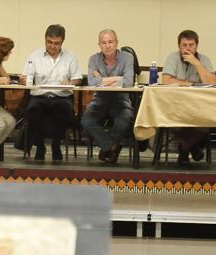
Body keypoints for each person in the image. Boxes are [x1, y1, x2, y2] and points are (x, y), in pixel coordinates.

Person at [20, 24, 81, 162]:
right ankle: (40, 146)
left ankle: (56, 145)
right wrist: (24, 80)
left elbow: (78, 79)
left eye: (56, 43)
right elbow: (24, 77)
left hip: (62, 96)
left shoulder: (71, 57)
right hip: (39, 95)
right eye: (49, 42)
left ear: (62, 42)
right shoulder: (34, 56)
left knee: (66, 112)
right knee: (32, 111)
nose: (52, 46)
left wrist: (71, 82)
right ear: (45, 40)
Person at [160, 29, 216, 165]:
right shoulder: (172, 57)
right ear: (179, 46)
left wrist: (196, 63)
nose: (188, 48)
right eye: (184, 45)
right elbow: (166, 80)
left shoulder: (204, 59)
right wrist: (190, 83)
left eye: (191, 45)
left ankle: (185, 147)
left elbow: (212, 82)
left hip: (199, 105)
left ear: (197, 46)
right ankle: (192, 146)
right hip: (175, 104)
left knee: (209, 120)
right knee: (164, 117)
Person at [82, 29, 136, 164]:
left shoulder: (127, 58)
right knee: (86, 120)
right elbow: (91, 82)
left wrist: (102, 79)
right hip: (100, 98)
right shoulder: (94, 59)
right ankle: (112, 146)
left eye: (110, 42)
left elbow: (128, 82)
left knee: (124, 121)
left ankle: (106, 148)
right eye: (103, 43)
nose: (107, 45)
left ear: (117, 43)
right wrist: (118, 79)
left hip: (120, 99)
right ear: (99, 45)